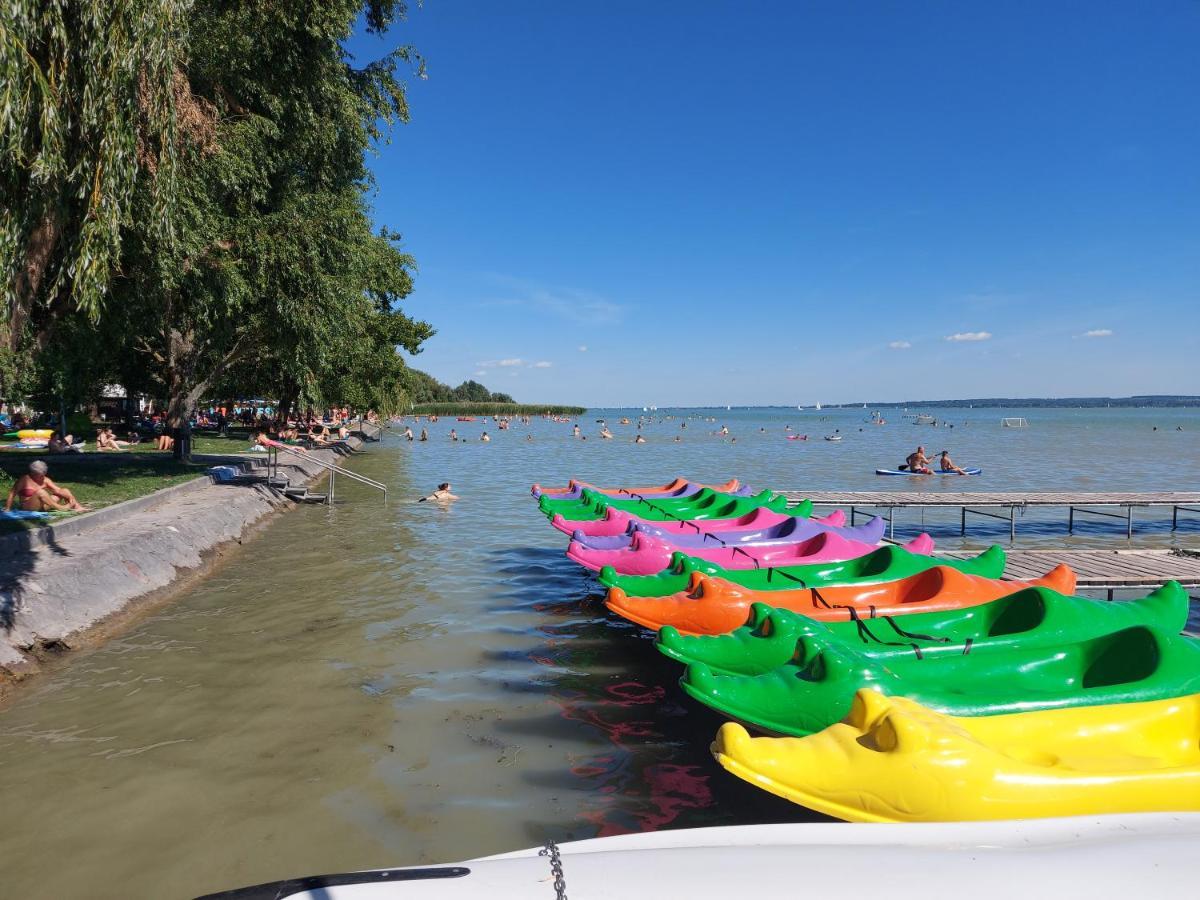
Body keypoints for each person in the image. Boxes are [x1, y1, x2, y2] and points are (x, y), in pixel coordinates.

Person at [5, 460, 89, 512]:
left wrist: (70, 497)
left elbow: (58, 490)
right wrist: (7, 508)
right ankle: (61, 508)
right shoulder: (24, 480)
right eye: (40, 475)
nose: (43, 476)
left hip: (43, 506)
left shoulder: (45, 479)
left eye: (44, 474)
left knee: (65, 490)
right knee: (41, 492)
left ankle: (77, 507)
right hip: (28, 506)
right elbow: (12, 494)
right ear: (33, 473)